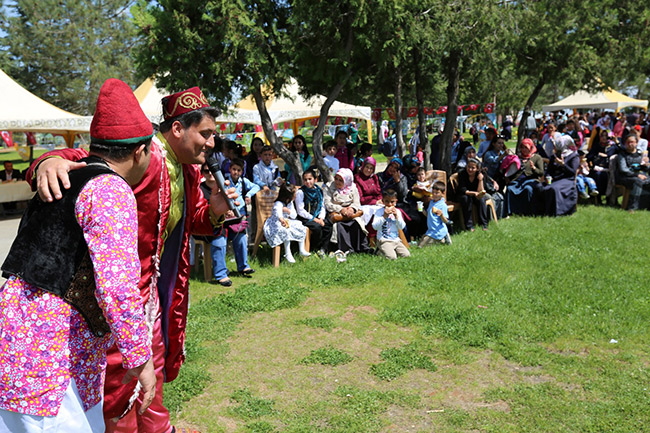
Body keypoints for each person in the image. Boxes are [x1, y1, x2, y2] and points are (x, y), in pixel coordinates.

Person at [27, 85, 236, 433]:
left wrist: (213, 213)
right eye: (207, 133)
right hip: (114, 297)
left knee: (150, 378)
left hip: (150, 293)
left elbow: (189, 222)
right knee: (118, 386)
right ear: (179, 129)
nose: (212, 143)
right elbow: (89, 155)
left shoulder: (189, 168)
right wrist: (49, 160)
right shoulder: (144, 155)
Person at [0, 79, 156, 432]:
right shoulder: (110, 190)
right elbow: (117, 288)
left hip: (17, 343)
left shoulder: (66, 177)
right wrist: (140, 358)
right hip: (52, 359)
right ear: (139, 152)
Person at [204, 157, 259, 286]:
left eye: (213, 172)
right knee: (220, 239)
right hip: (211, 224)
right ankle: (221, 274)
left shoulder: (227, 184)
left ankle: (243, 266)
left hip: (231, 220)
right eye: (207, 171)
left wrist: (248, 195)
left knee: (240, 236)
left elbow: (256, 187)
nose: (211, 174)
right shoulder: (202, 188)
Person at [324, 168, 370, 261]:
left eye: (340, 180)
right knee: (339, 225)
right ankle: (345, 249)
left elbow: (357, 202)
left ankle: (360, 247)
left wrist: (352, 209)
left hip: (350, 212)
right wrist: (341, 209)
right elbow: (328, 203)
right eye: (336, 178)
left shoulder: (353, 187)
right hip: (337, 212)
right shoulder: (329, 187)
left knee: (357, 223)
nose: (337, 182)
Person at [263, 183, 310, 263]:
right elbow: (278, 213)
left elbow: (294, 215)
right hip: (275, 224)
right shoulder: (278, 203)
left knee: (300, 226)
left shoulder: (290, 203)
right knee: (285, 230)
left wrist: (288, 211)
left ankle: (302, 249)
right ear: (288, 196)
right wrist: (281, 219)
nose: (296, 195)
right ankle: (287, 253)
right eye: (294, 194)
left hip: (286, 221)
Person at [295, 169, 332, 257]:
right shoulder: (300, 192)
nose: (307, 181)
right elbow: (300, 210)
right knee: (317, 227)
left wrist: (321, 218)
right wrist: (314, 219)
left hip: (317, 216)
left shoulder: (319, 191)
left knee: (328, 224)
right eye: (305, 179)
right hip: (305, 218)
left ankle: (324, 248)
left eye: (310, 179)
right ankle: (314, 247)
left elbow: (322, 206)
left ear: (315, 179)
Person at [542, 135, 580, 216]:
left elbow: (572, 172)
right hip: (555, 179)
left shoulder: (574, 156)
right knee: (541, 187)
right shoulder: (555, 156)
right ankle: (544, 211)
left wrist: (563, 164)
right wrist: (548, 176)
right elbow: (549, 170)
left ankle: (558, 211)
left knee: (554, 188)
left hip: (567, 179)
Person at [506, 138, 545, 216]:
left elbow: (541, 172)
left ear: (531, 148)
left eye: (526, 147)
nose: (523, 150)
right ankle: (511, 212)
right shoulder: (517, 157)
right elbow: (511, 171)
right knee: (510, 189)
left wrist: (533, 168)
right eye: (522, 147)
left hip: (531, 179)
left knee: (528, 189)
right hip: (517, 180)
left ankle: (527, 211)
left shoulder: (536, 158)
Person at [372, 189, 410, 260]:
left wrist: (396, 217)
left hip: (396, 240)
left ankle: (390, 250)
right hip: (384, 240)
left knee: (406, 255)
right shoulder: (379, 212)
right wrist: (384, 216)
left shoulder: (398, 212)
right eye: (387, 201)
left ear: (396, 201)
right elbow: (375, 227)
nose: (389, 204)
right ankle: (379, 251)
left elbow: (401, 226)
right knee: (392, 257)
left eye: (392, 202)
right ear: (383, 201)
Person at [616, 134, 650, 211]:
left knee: (648, 180)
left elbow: (645, 168)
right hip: (625, 177)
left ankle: (646, 206)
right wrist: (637, 175)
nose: (630, 144)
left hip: (639, 175)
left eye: (632, 142)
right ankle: (632, 207)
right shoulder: (622, 154)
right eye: (627, 142)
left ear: (636, 143)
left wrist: (647, 164)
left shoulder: (640, 154)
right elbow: (623, 169)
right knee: (638, 182)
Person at [454, 158, 489, 231]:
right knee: (466, 199)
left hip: (475, 195)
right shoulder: (462, 174)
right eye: (468, 167)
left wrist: (480, 180)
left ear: (477, 169)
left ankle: (483, 224)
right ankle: (469, 226)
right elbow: (463, 190)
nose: (470, 169)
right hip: (463, 195)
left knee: (481, 200)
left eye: (473, 168)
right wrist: (474, 193)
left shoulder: (480, 175)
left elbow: (481, 191)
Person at [419, 181, 451, 246]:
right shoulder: (431, 202)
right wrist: (422, 210)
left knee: (421, 246)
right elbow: (428, 215)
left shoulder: (443, 205)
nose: (434, 194)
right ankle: (442, 239)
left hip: (438, 232)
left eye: (437, 193)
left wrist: (441, 215)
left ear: (443, 193)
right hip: (431, 230)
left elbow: (446, 221)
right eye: (433, 192)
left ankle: (443, 238)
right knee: (420, 241)